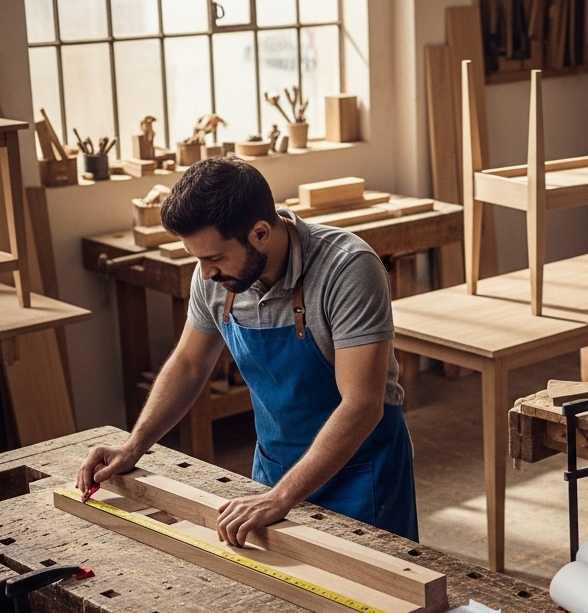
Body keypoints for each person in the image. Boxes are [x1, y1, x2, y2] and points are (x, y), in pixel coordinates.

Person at [76, 157, 417, 546]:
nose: (205, 273)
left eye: (215, 258)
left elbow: (362, 404)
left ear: (259, 233)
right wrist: (134, 445)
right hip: (274, 470)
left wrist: (282, 497)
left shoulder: (348, 268)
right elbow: (188, 365)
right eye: (198, 258)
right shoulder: (215, 275)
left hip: (362, 476)